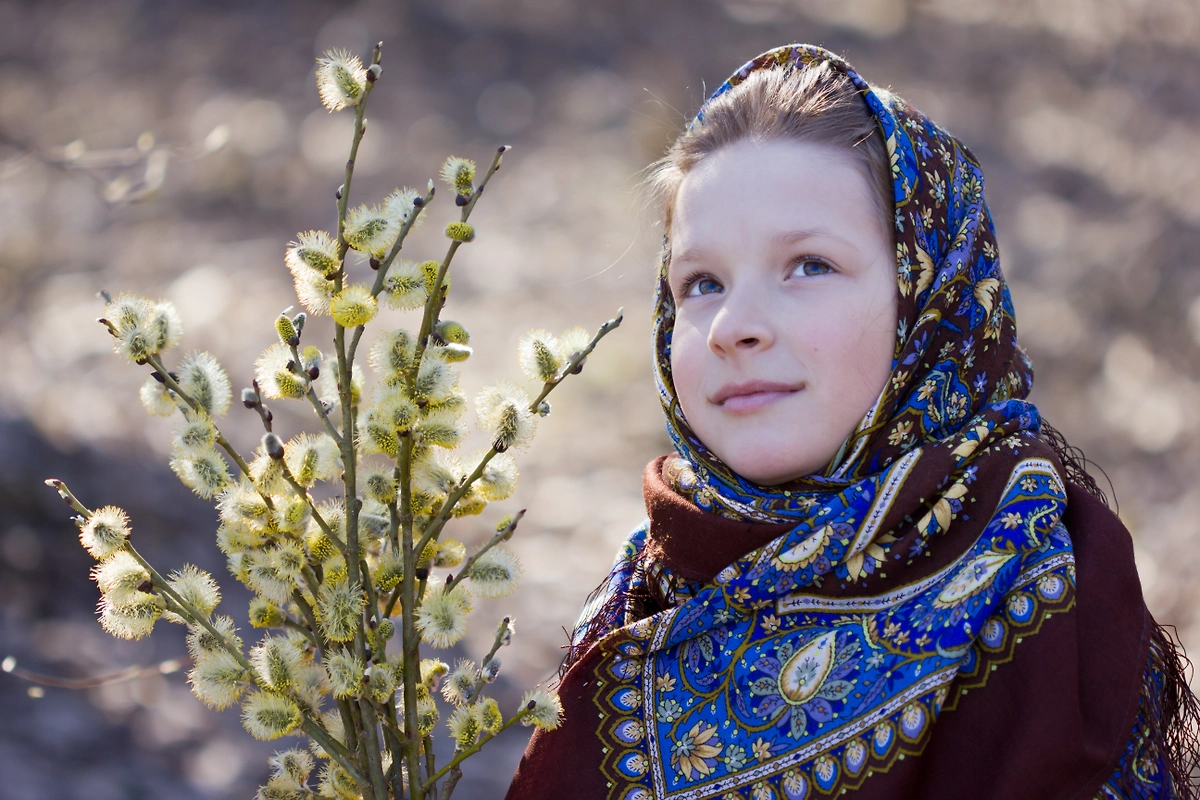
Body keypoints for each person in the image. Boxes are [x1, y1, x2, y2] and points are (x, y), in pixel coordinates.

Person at [505, 44, 1200, 799]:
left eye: (809, 265)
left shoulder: (1034, 585)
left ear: (925, 302)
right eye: (701, 282)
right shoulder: (641, 595)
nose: (732, 325)